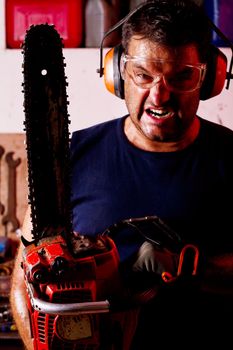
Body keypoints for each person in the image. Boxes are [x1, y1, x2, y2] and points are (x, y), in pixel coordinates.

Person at [10, 0, 233, 349]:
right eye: (143, 75)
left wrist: (190, 266)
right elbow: (24, 282)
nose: (159, 95)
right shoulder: (70, 157)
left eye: (181, 76)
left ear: (210, 79)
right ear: (117, 73)